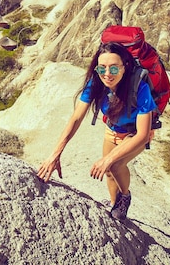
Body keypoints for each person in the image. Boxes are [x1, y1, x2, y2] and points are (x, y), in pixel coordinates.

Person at [37, 41, 157, 220]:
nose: (107, 74)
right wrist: (55, 154)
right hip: (112, 130)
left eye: (114, 69)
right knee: (108, 172)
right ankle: (113, 202)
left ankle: (125, 196)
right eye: (102, 69)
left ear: (125, 67)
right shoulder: (96, 84)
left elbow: (142, 134)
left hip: (134, 134)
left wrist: (108, 159)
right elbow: (76, 118)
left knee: (114, 165)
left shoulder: (140, 87)